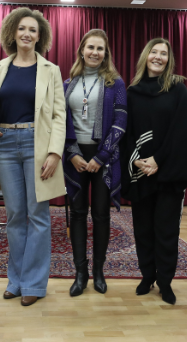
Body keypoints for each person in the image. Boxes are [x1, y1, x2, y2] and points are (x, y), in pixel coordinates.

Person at [0, 7, 66, 307]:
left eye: (32, 29)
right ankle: (15, 281)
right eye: (22, 29)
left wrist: (55, 152)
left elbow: (59, 115)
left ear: (40, 35)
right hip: (5, 144)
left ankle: (34, 283)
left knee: (38, 216)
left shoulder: (51, 70)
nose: (27, 34)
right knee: (15, 216)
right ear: (12, 33)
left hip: (37, 144)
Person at [120, 38, 187, 305]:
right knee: (142, 229)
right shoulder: (132, 91)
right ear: (146, 56)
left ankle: (165, 282)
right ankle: (146, 276)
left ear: (169, 60)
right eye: (154, 52)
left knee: (166, 231)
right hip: (140, 171)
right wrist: (139, 160)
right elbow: (126, 131)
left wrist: (157, 159)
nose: (158, 57)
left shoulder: (177, 89)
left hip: (168, 174)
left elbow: (183, 131)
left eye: (163, 54)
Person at [62, 29, 127, 296]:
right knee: (77, 214)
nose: (94, 53)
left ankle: (99, 271)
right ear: (81, 50)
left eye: (100, 49)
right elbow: (60, 122)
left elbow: (121, 121)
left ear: (106, 54)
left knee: (100, 215)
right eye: (90, 47)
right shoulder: (67, 83)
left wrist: (101, 157)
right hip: (75, 156)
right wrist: (73, 153)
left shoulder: (116, 84)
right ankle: (81, 273)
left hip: (105, 157)